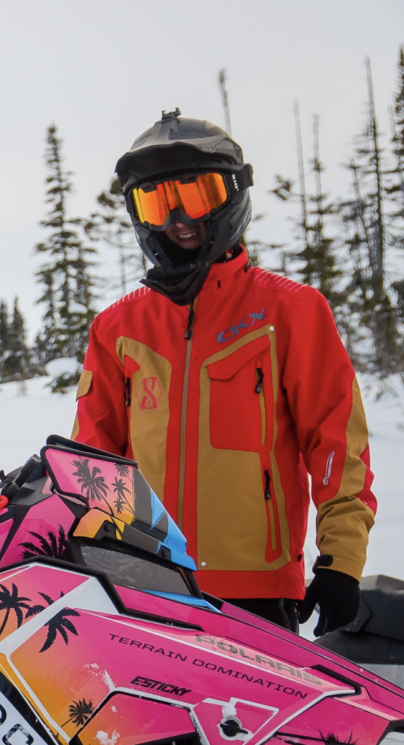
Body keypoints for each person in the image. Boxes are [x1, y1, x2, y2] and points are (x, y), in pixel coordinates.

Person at [72, 110, 375, 635]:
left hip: (257, 593)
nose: (178, 219)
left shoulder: (293, 313)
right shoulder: (117, 327)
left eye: (195, 196)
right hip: (142, 581)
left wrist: (340, 561)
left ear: (232, 194)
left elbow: (337, 449)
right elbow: (91, 460)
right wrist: (82, 549)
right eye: (156, 203)